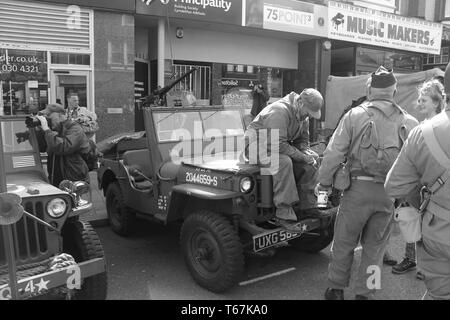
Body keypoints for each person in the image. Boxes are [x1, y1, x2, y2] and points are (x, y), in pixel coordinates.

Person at [317, 66, 419, 300]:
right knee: (375, 250)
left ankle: (335, 290)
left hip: (355, 191)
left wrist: (323, 183)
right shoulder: (409, 121)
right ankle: (366, 293)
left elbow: (333, 153)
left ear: (370, 90)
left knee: (344, 243)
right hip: (388, 195)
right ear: (394, 91)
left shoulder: (354, 115)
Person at [385, 68, 450, 300]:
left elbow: (394, 185)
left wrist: (425, 200)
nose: (419, 103)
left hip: (438, 232)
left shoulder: (422, 132)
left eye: (423, 99)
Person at [243, 88, 324, 232]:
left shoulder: (302, 116)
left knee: (313, 160)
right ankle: (283, 213)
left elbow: (302, 141)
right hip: (256, 148)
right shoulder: (279, 111)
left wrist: (307, 153)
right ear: (300, 103)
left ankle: (308, 206)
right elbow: (276, 144)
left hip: (277, 146)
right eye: (308, 112)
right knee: (284, 162)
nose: (309, 117)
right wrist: (302, 155)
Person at [35, 104, 90, 187]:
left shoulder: (75, 129)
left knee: (71, 199)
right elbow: (42, 147)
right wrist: (39, 131)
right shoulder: (54, 130)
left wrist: (47, 130)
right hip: (55, 176)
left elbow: (63, 147)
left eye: (49, 116)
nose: (47, 119)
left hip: (72, 177)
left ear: (61, 115)